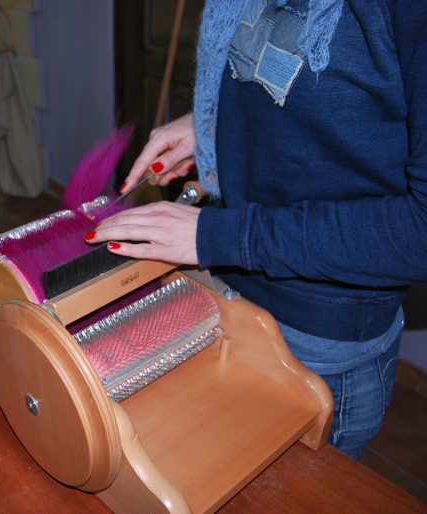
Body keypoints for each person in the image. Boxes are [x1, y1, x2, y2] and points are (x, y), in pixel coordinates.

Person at [86, 0, 426, 459]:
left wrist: (219, 237)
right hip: (228, 292)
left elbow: (417, 232)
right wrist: (210, 128)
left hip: (318, 340)